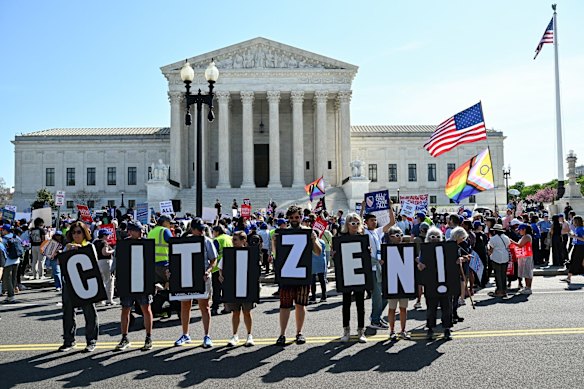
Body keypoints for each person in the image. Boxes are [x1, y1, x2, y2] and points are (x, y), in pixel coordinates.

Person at [274, 205, 322, 346]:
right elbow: (277, 255)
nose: (295, 220)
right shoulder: (283, 233)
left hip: (302, 273)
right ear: (288, 218)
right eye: (292, 217)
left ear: (301, 217)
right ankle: (282, 334)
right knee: (285, 305)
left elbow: (318, 252)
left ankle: (299, 332)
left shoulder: (308, 232)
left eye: (297, 217)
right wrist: (274, 242)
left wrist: (314, 239)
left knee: (300, 305)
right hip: (288, 273)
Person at [174, 218, 218, 348]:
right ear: (192, 229)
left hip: (202, 277)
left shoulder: (207, 241)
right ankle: (185, 334)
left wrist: (209, 271)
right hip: (187, 276)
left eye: (203, 229)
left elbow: (213, 259)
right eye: (199, 229)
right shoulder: (184, 241)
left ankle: (207, 335)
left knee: (204, 306)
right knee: (185, 305)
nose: (201, 231)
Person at [58, 221, 99, 352]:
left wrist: (80, 250)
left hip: (85, 285)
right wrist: (66, 251)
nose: (76, 235)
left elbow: (94, 263)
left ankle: (91, 341)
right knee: (68, 312)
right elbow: (60, 263)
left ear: (84, 233)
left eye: (79, 232)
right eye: (73, 232)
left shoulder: (89, 246)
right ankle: (69, 341)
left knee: (89, 312)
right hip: (69, 283)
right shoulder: (67, 246)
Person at [115, 221, 154, 351]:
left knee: (146, 309)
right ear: (130, 232)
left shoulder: (146, 244)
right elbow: (117, 263)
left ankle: (149, 337)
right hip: (127, 282)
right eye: (138, 230)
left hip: (142, 281)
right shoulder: (123, 245)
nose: (141, 232)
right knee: (125, 309)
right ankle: (124, 338)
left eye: (142, 230)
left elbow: (150, 264)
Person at [219, 231, 256, 347]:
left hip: (246, 286)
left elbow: (255, 269)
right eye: (232, 240)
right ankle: (235, 335)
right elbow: (221, 266)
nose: (233, 242)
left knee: (246, 312)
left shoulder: (250, 253)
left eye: (235, 240)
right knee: (235, 312)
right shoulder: (229, 253)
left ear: (243, 241)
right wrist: (221, 275)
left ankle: (249, 335)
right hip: (233, 285)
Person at [362, 204, 395, 330]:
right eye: (372, 220)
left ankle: (376, 316)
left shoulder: (377, 231)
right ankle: (375, 320)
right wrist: (363, 207)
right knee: (377, 296)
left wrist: (389, 207)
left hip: (380, 267)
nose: (374, 222)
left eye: (375, 220)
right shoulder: (364, 232)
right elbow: (358, 222)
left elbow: (392, 222)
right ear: (366, 222)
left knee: (386, 294)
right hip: (372, 267)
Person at [418, 227, 454, 340]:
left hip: (445, 282)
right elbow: (420, 262)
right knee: (431, 307)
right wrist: (420, 265)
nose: (435, 239)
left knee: (446, 307)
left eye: (438, 237)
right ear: (429, 238)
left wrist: (459, 260)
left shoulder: (446, 248)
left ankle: (447, 328)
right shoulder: (425, 249)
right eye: (433, 237)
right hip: (431, 282)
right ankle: (430, 328)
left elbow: (452, 260)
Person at [337, 213, 367, 343]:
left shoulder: (362, 237)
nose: (355, 226)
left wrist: (368, 251)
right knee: (346, 304)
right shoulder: (341, 237)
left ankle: (361, 330)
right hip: (347, 275)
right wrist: (334, 254)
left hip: (359, 275)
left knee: (361, 304)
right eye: (353, 223)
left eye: (357, 223)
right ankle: (346, 330)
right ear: (347, 224)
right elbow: (337, 257)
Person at [385, 225, 412, 340]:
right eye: (397, 235)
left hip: (404, 283)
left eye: (401, 235)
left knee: (403, 308)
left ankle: (403, 330)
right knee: (392, 308)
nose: (400, 237)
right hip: (392, 283)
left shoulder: (407, 249)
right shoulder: (386, 250)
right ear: (391, 237)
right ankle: (391, 330)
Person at [211, 225, 233, 316]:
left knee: (216, 289)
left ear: (217, 232)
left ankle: (215, 308)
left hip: (217, 267)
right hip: (229, 265)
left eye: (213, 232)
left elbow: (213, 253)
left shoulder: (217, 240)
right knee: (227, 287)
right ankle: (227, 307)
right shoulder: (230, 238)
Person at [147, 215, 173, 285]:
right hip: (164, 265)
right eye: (170, 223)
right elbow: (174, 245)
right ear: (164, 222)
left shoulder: (151, 232)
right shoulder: (165, 231)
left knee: (157, 287)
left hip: (153, 265)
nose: (171, 225)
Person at [94, 229, 117, 305]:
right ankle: (109, 299)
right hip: (106, 262)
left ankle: (100, 299)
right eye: (107, 235)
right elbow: (105, 252)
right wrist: (113, 251)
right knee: (109, 281)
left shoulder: (95, 242)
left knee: (100, 281)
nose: (109, 236)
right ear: (104, 236)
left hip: (97, 262)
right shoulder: (104, 243)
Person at [487, 224, 510, 298]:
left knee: (498, 275)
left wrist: (488, 253)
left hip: (496, 257)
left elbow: (491, 249)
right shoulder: (506, 237)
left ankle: (499, 290)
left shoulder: (493, 239)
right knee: (504, 274)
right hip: (505, 257)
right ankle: (504, 290)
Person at [511, 223, 534, 295]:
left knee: (527, 272)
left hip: (527, 256)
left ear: (524, 230)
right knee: (525, 272)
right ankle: (527, 287)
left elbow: (520, 245)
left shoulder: (527, 236)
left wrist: (511, 241)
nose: (519, 232)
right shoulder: (524, 236)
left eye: (520, 230)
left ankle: (528, 287)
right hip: (524, 256)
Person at [561, 215, 584, 284]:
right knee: (578, 261)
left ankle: (569, 277)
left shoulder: (581, 229)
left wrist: (574, 236)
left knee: (574, 261)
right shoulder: (577, 228)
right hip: (577, 246)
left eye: (573, 221)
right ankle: (568, 277)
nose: (572, 222)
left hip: (580, 247)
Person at [309, 231, 327, 303]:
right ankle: (324, 296)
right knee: (322, 280)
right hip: (321, 262)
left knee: (313, 281)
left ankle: (313, 297)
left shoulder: (311, 242)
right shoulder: (322, 241)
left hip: (313, 262)